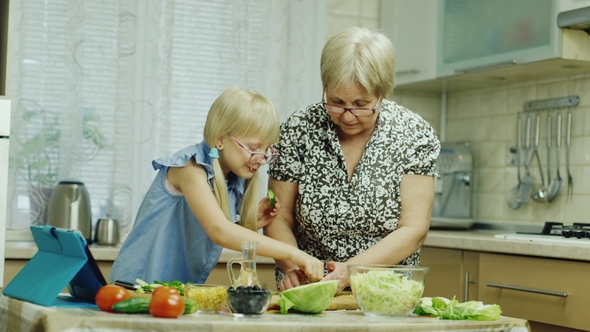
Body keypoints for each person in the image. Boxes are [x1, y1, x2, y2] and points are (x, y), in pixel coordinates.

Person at [264, 26, 441, 292]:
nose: (347, 116)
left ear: (383, 92)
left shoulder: (414, 134)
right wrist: (292, 266)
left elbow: (414, 229)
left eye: (361, 105)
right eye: (336, 102)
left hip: (386, 293)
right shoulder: (299, 129)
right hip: (307, 286)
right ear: (325, 87)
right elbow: (277, 217)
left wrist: (350, 271)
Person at [109, 87, 324, 285]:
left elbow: (210, 228)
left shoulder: (232, 178)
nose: (261, 158)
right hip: (134, 286)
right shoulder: (189, 168)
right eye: (253, 147)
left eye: (267, 150)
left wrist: (248, 223)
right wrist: (293, 253)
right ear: (220, 140)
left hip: (172, 292)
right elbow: (219, 230)